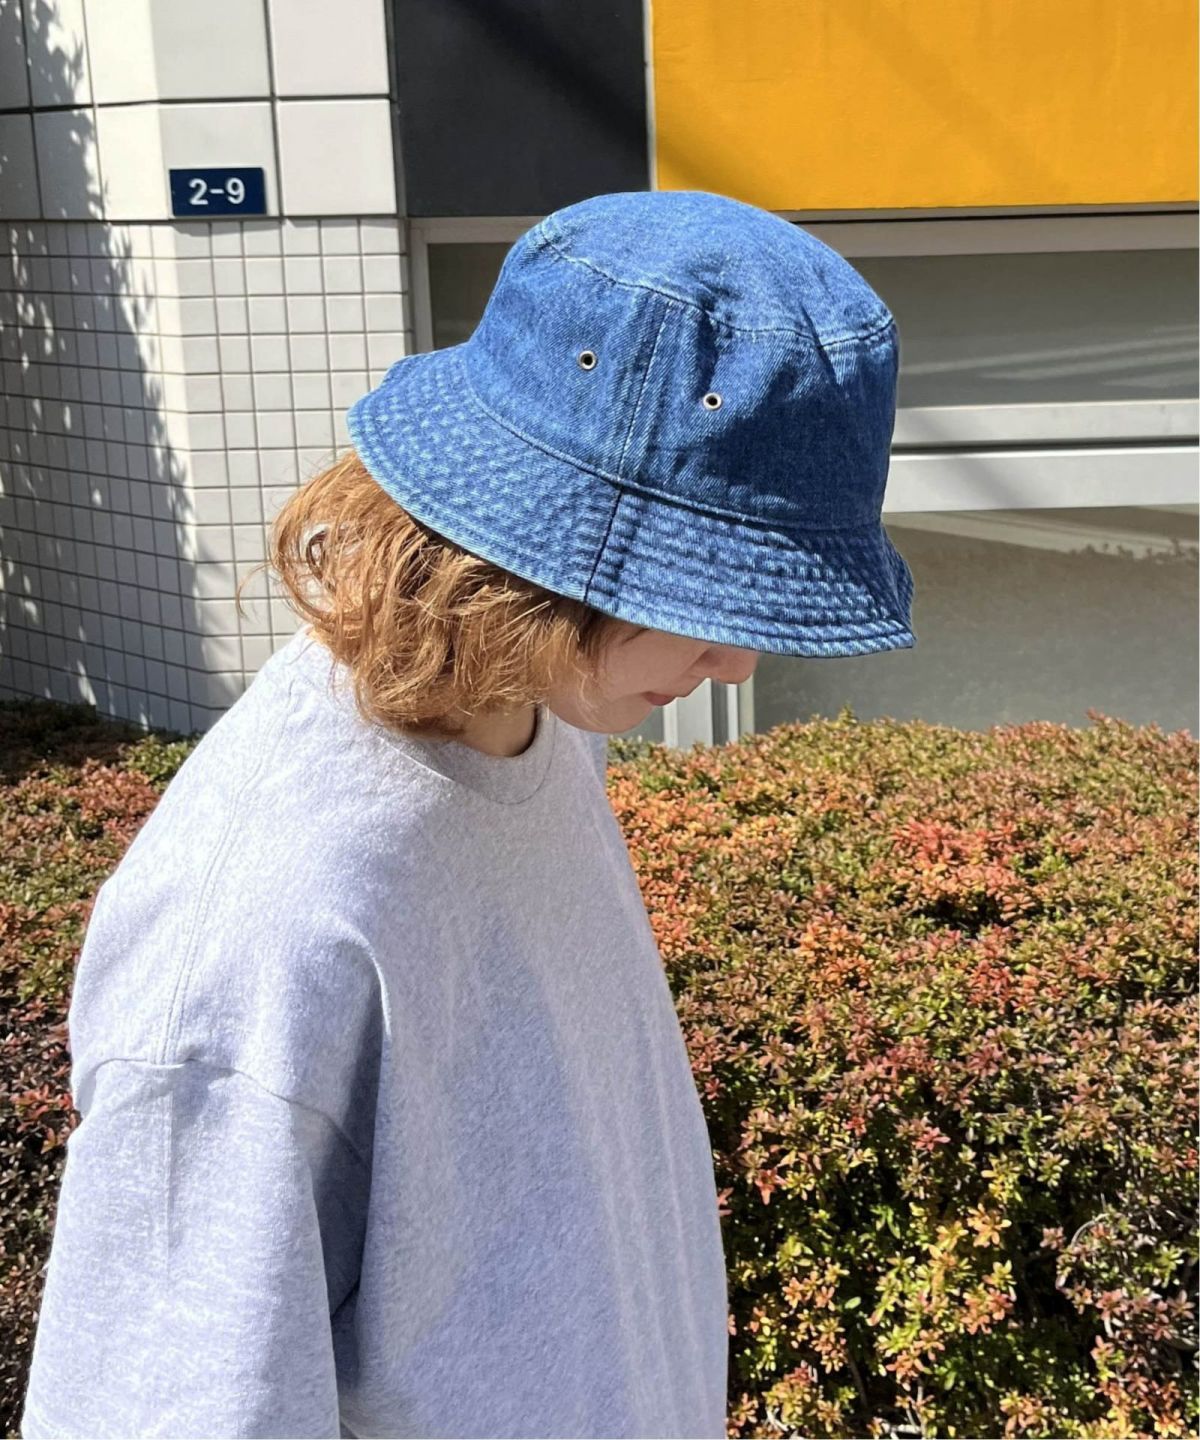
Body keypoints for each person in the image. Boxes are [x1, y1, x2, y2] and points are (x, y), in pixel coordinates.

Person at [20, 188, 915, 1439]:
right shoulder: (266, 921)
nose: (738, 664)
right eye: (707, 597)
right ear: (532, 553)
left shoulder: (526, 716)